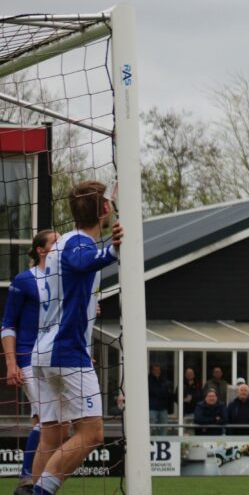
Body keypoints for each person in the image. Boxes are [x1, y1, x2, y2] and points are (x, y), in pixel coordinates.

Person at [31, 181, 122, 495]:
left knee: (52, 436)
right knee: (92, 434)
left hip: (47, 351)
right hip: (65, 350)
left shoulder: (63, 242)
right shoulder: (78, 243)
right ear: (106, 208)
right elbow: (83, 261)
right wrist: (113, 250)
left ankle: (29, 488)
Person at [2, 229, 57, 495]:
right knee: (47, 419)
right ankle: (27, 479)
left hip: (56, 359)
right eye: (55, 242)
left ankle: (35, 481)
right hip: (28, 358)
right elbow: (7, 324)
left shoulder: (63, 280)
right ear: (40, 250)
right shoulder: (24, 280)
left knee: (47, 421)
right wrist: (11, 363)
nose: (62, 245)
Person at [148, 364, 173, 436]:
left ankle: (162, 440)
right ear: (152, 371)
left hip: (163, 407)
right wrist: (163, 390)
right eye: (155, 370)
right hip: (152, 408)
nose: (157, 371)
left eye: (158, 370)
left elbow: (168, 393)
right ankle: (149, 441)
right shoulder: (148, 380)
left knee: (164, 427)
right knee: (150, 427)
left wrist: (163, 391)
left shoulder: (163, 380)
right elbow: (154, 392)